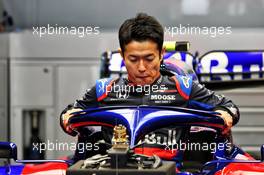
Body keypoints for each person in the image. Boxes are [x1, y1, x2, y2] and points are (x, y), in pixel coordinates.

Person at [60, 13, 239, 162]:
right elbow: (70, 113)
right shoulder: (104, 89)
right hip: (113, 168)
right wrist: (67, 118)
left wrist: (226, 114)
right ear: (122, 55)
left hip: (170, 170)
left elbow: (229, 107)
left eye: (149, 58)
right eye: (133, 59)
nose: (142, 68)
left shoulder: (183, 88)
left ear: (161, 54)